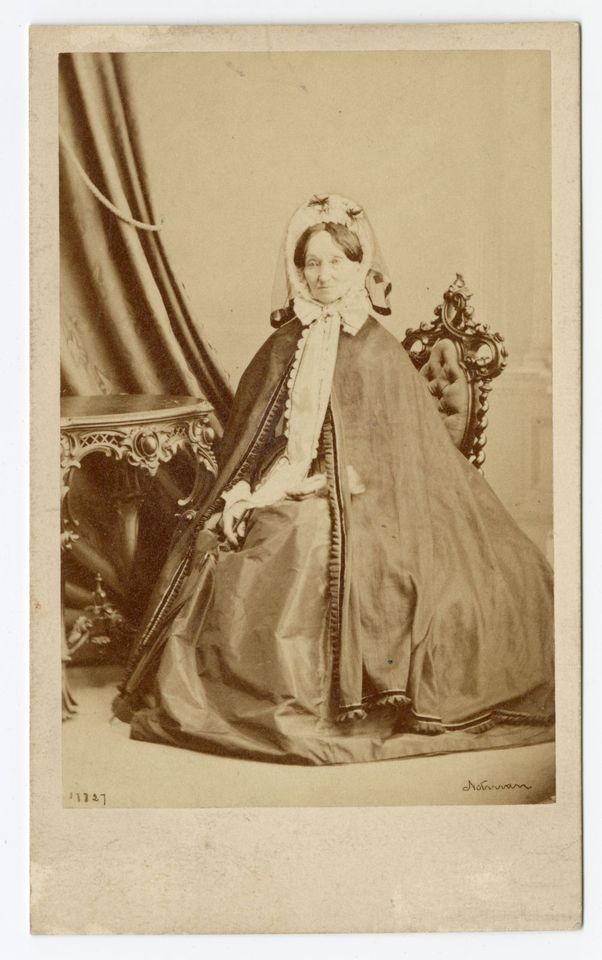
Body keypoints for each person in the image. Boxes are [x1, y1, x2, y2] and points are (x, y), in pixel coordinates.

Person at [113, 194, 554, 765]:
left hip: (370, 497)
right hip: (297, 479)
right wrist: (254, 489)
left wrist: (312, 488)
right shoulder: (285, 345)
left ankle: (306, 703)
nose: (322, 276)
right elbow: (268, 440)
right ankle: (235, 693)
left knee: (294, 542)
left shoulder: (378, 353)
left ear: (359, 268)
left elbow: (384, 459)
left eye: (335, 263)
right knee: (231, 531)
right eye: (312, 264)